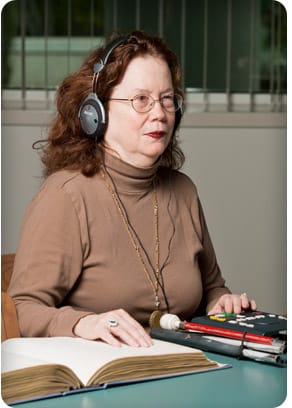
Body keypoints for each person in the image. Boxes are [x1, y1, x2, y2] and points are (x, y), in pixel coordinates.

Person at [8, 30, 256, 348]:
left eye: (167, 99)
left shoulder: (183, 191)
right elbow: (21, 309)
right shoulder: (66, 196)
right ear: (96, 112)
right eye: (141, 99)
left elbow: (212, 288)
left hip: (181, 368)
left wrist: (222, 304)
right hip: (102, 383)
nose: (159, 113)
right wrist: (83, 322)